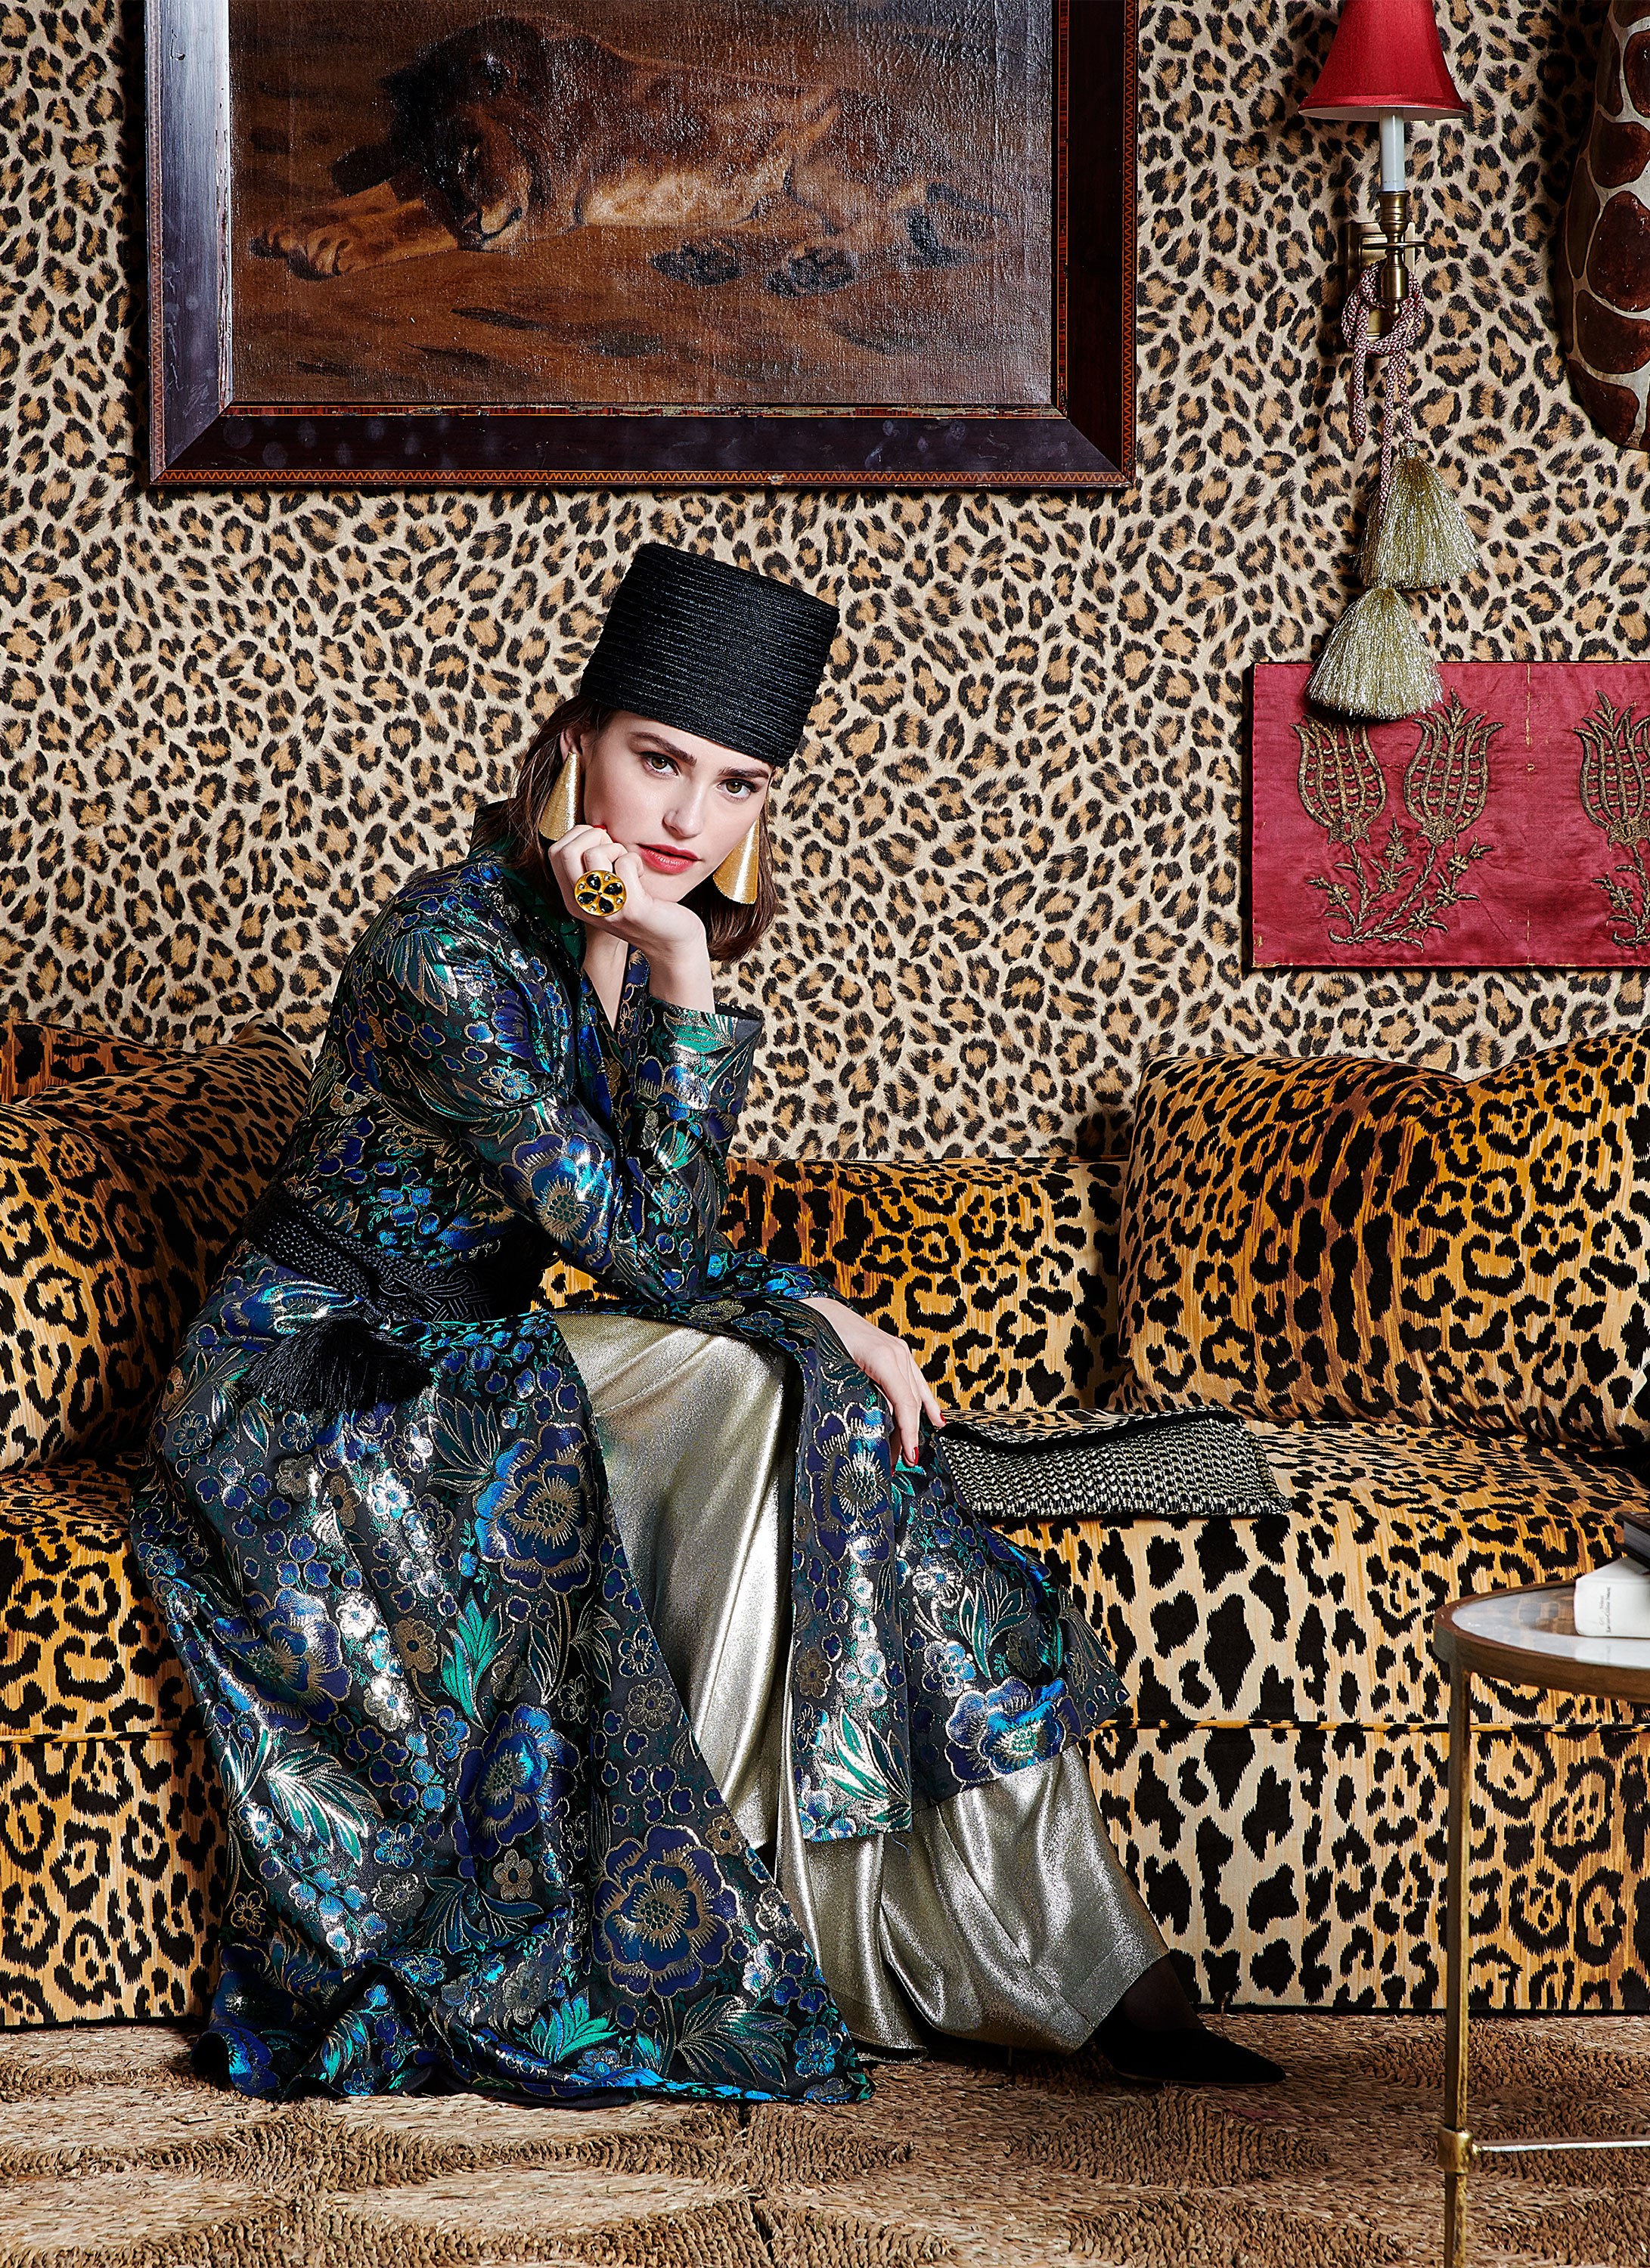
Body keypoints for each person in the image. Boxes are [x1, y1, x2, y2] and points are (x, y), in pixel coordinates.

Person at [131, 543, 1281, 2105]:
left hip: (468, 1356)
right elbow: (643, 1252)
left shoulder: (593, 929)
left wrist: (819, 1313)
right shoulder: (442, 957)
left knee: (807, 1409)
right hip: (318, 1384)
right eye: (657, 760)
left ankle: (1072, 1957)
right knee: (765, 1386)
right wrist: (679, 975)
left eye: (736, 784)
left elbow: (643, 1255)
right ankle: (786, 1925)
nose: (688, 817)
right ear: (574, 746)